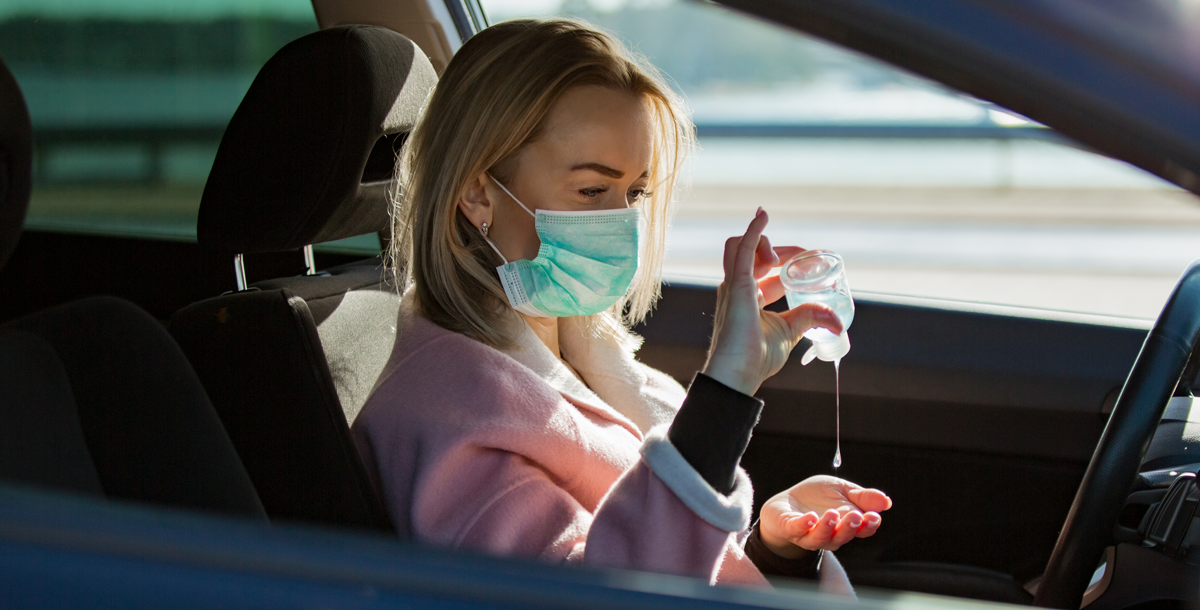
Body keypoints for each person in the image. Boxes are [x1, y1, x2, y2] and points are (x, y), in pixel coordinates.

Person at [352, 18, 892, 592]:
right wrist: (724, 391)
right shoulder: (448, 413)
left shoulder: (588, 363)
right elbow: (599, 594)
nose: (622, 220)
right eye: (591, 190)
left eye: (634, 193)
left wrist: (772, 548)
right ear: (477, 192)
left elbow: (662, 551)